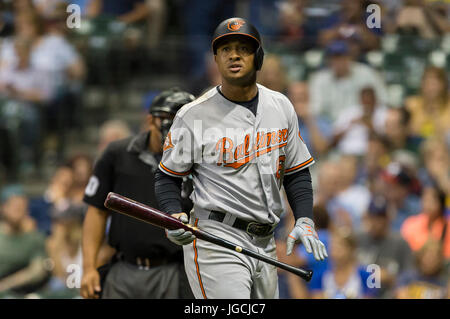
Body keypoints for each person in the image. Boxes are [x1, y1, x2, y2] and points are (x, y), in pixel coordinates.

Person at [155, 18, 328, 299]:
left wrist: (304, 218)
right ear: (216, 60)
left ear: (258, 57)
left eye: (243, 48)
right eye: (225, 49)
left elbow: (296, 172)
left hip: (266, 241)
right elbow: (167, 176)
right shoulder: (193, 115)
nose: (234, 54)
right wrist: (172, 213)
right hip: (216, 238)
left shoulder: (281, 106)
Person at [81, 88, 196, 299]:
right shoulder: (117, 154)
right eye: (171, 120)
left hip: (176, 269)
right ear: (151, 120)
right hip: (125, 268)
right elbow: (96, 211)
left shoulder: (198, 160)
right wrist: (89, 267)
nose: (179, 128)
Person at [309, 40, 387, 123]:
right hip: (330, 126)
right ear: (329, 60)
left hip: (361, 123)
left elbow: (382, 99)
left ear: (350, 57)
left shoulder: (367, 73)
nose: (339, 62)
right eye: (335, 58)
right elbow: (315, 110)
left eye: (342, 57)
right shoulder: (319, 79)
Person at [357, 196, 414, 298]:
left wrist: (392, 278)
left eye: (380, 218)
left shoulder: (400, 243)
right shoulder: (358, 238)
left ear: (388, 219)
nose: (376, 222)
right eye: (373, 217)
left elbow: (410, 276)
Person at [0, 185, 50, 296]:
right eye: (15, 206)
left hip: (27, 291)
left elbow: (38, 271)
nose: (19, 211)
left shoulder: (35, 238)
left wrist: (5, 285)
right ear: (3, 207)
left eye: (23, 207)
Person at [308, 228, 377, 299]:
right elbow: (315, 295)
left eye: (340, 246)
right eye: (332, 246)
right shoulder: (319, 275)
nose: (335, 251)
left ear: (351, 249)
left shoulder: (366, 275)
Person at [401, 186, 450, 259]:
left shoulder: (447, 226)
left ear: (441, 203)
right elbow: (404, 249)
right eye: (425, 200)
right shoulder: (410, 223)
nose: (427, 204)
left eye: (431, 201)